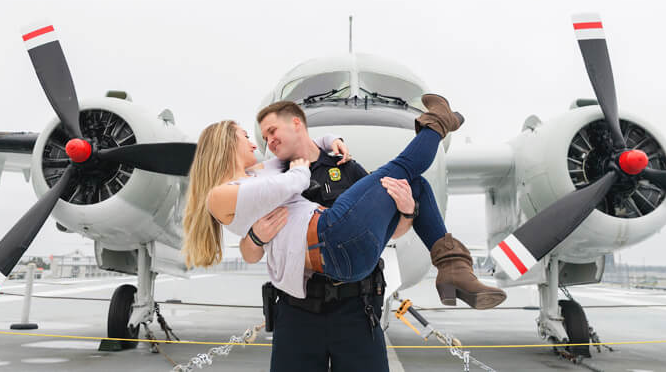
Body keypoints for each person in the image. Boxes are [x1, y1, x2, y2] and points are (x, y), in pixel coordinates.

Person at [182, 94, 505, 315]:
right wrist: (298, 170)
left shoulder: (257, 174)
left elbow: (299, 154)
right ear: (226, 144)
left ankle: (452, 267)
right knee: (404, 168)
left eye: (264, 134)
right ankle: (438, 123)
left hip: (346, 254)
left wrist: (327, 141)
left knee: (412, 184)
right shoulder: (220, 194)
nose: (256, 142)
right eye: (246, 136)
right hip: (330, 239)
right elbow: (290, 183)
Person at [243, 101, 391, 371]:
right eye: (265, 137)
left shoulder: (346, 168)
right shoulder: (270, 180)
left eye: (273, 130)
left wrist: (405, 211)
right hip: (297, 311)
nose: (269, 140)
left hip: (355, 308)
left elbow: (385, 227)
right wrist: (256, 236)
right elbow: (249, 254)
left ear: (296, 123)